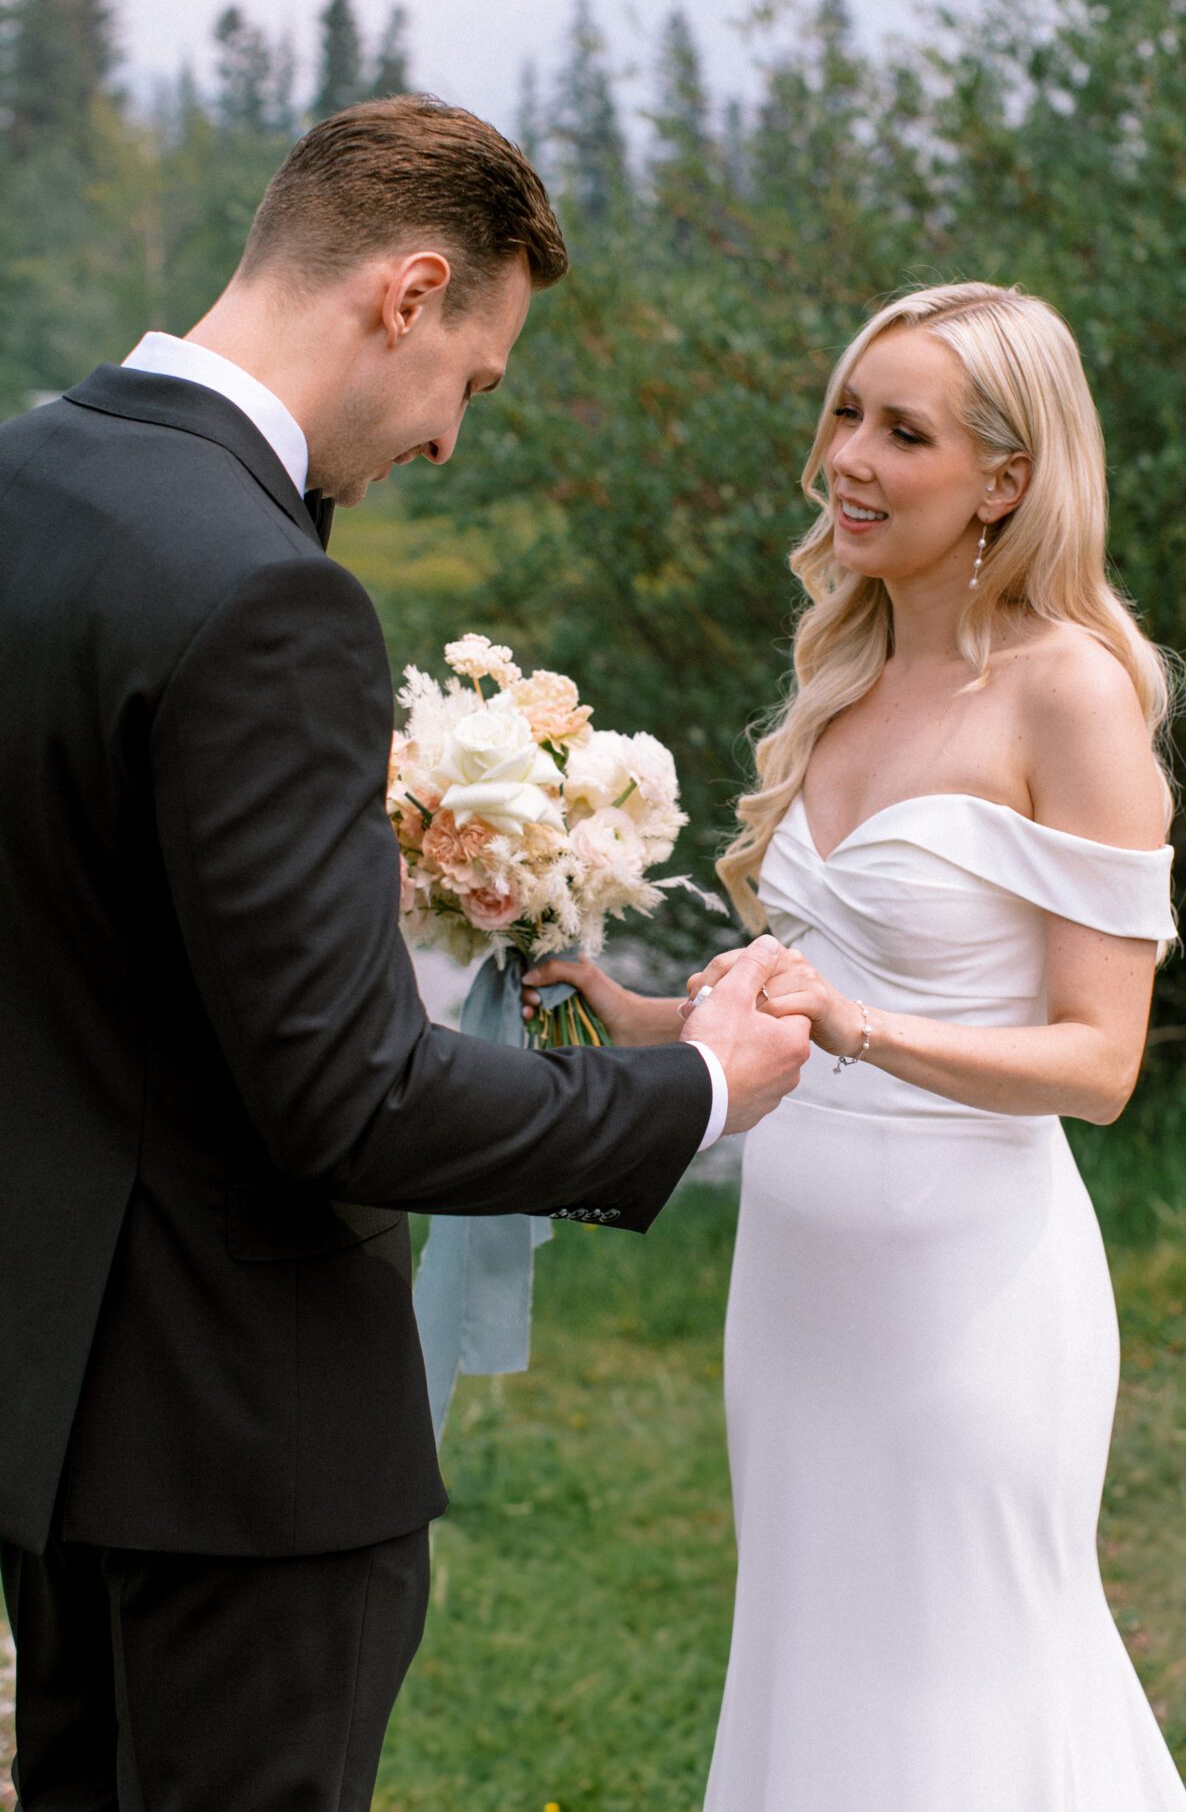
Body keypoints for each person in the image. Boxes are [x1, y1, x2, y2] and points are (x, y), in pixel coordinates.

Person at [0, 94, 810, 1811]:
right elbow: (347, 1103)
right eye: (476, 380)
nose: (451, 439)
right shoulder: (263, 592)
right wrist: (699, 1092)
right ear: (410, 291)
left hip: (50, 1411)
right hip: (244, 1449)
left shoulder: (28, 477)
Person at [525, 282, 1186, 1809]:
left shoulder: (1070, 695)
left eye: (905, 431)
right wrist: (639, 1021)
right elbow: (796, 999)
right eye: (846, 413)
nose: (851, 457)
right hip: (796, 1281)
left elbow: (1099, 1065)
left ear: (1008, 478)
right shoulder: (842, 671)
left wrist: (858, 1024)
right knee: (812, 1660)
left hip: (965, 1289)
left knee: (963, 1681)